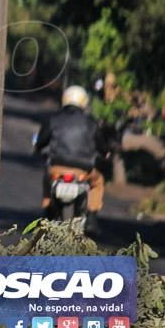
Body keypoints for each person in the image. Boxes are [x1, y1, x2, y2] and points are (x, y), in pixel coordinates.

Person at [34, 85, 109, 232]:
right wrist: (105, 153)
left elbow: (41, 141)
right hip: (83, 170)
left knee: (47, 180)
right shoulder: (91, 123)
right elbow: (102, 146)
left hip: (57, 167)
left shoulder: (54, 119)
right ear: (83, 102)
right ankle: (92, 218)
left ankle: (48, 211)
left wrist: (37, 149)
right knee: (98, 181)